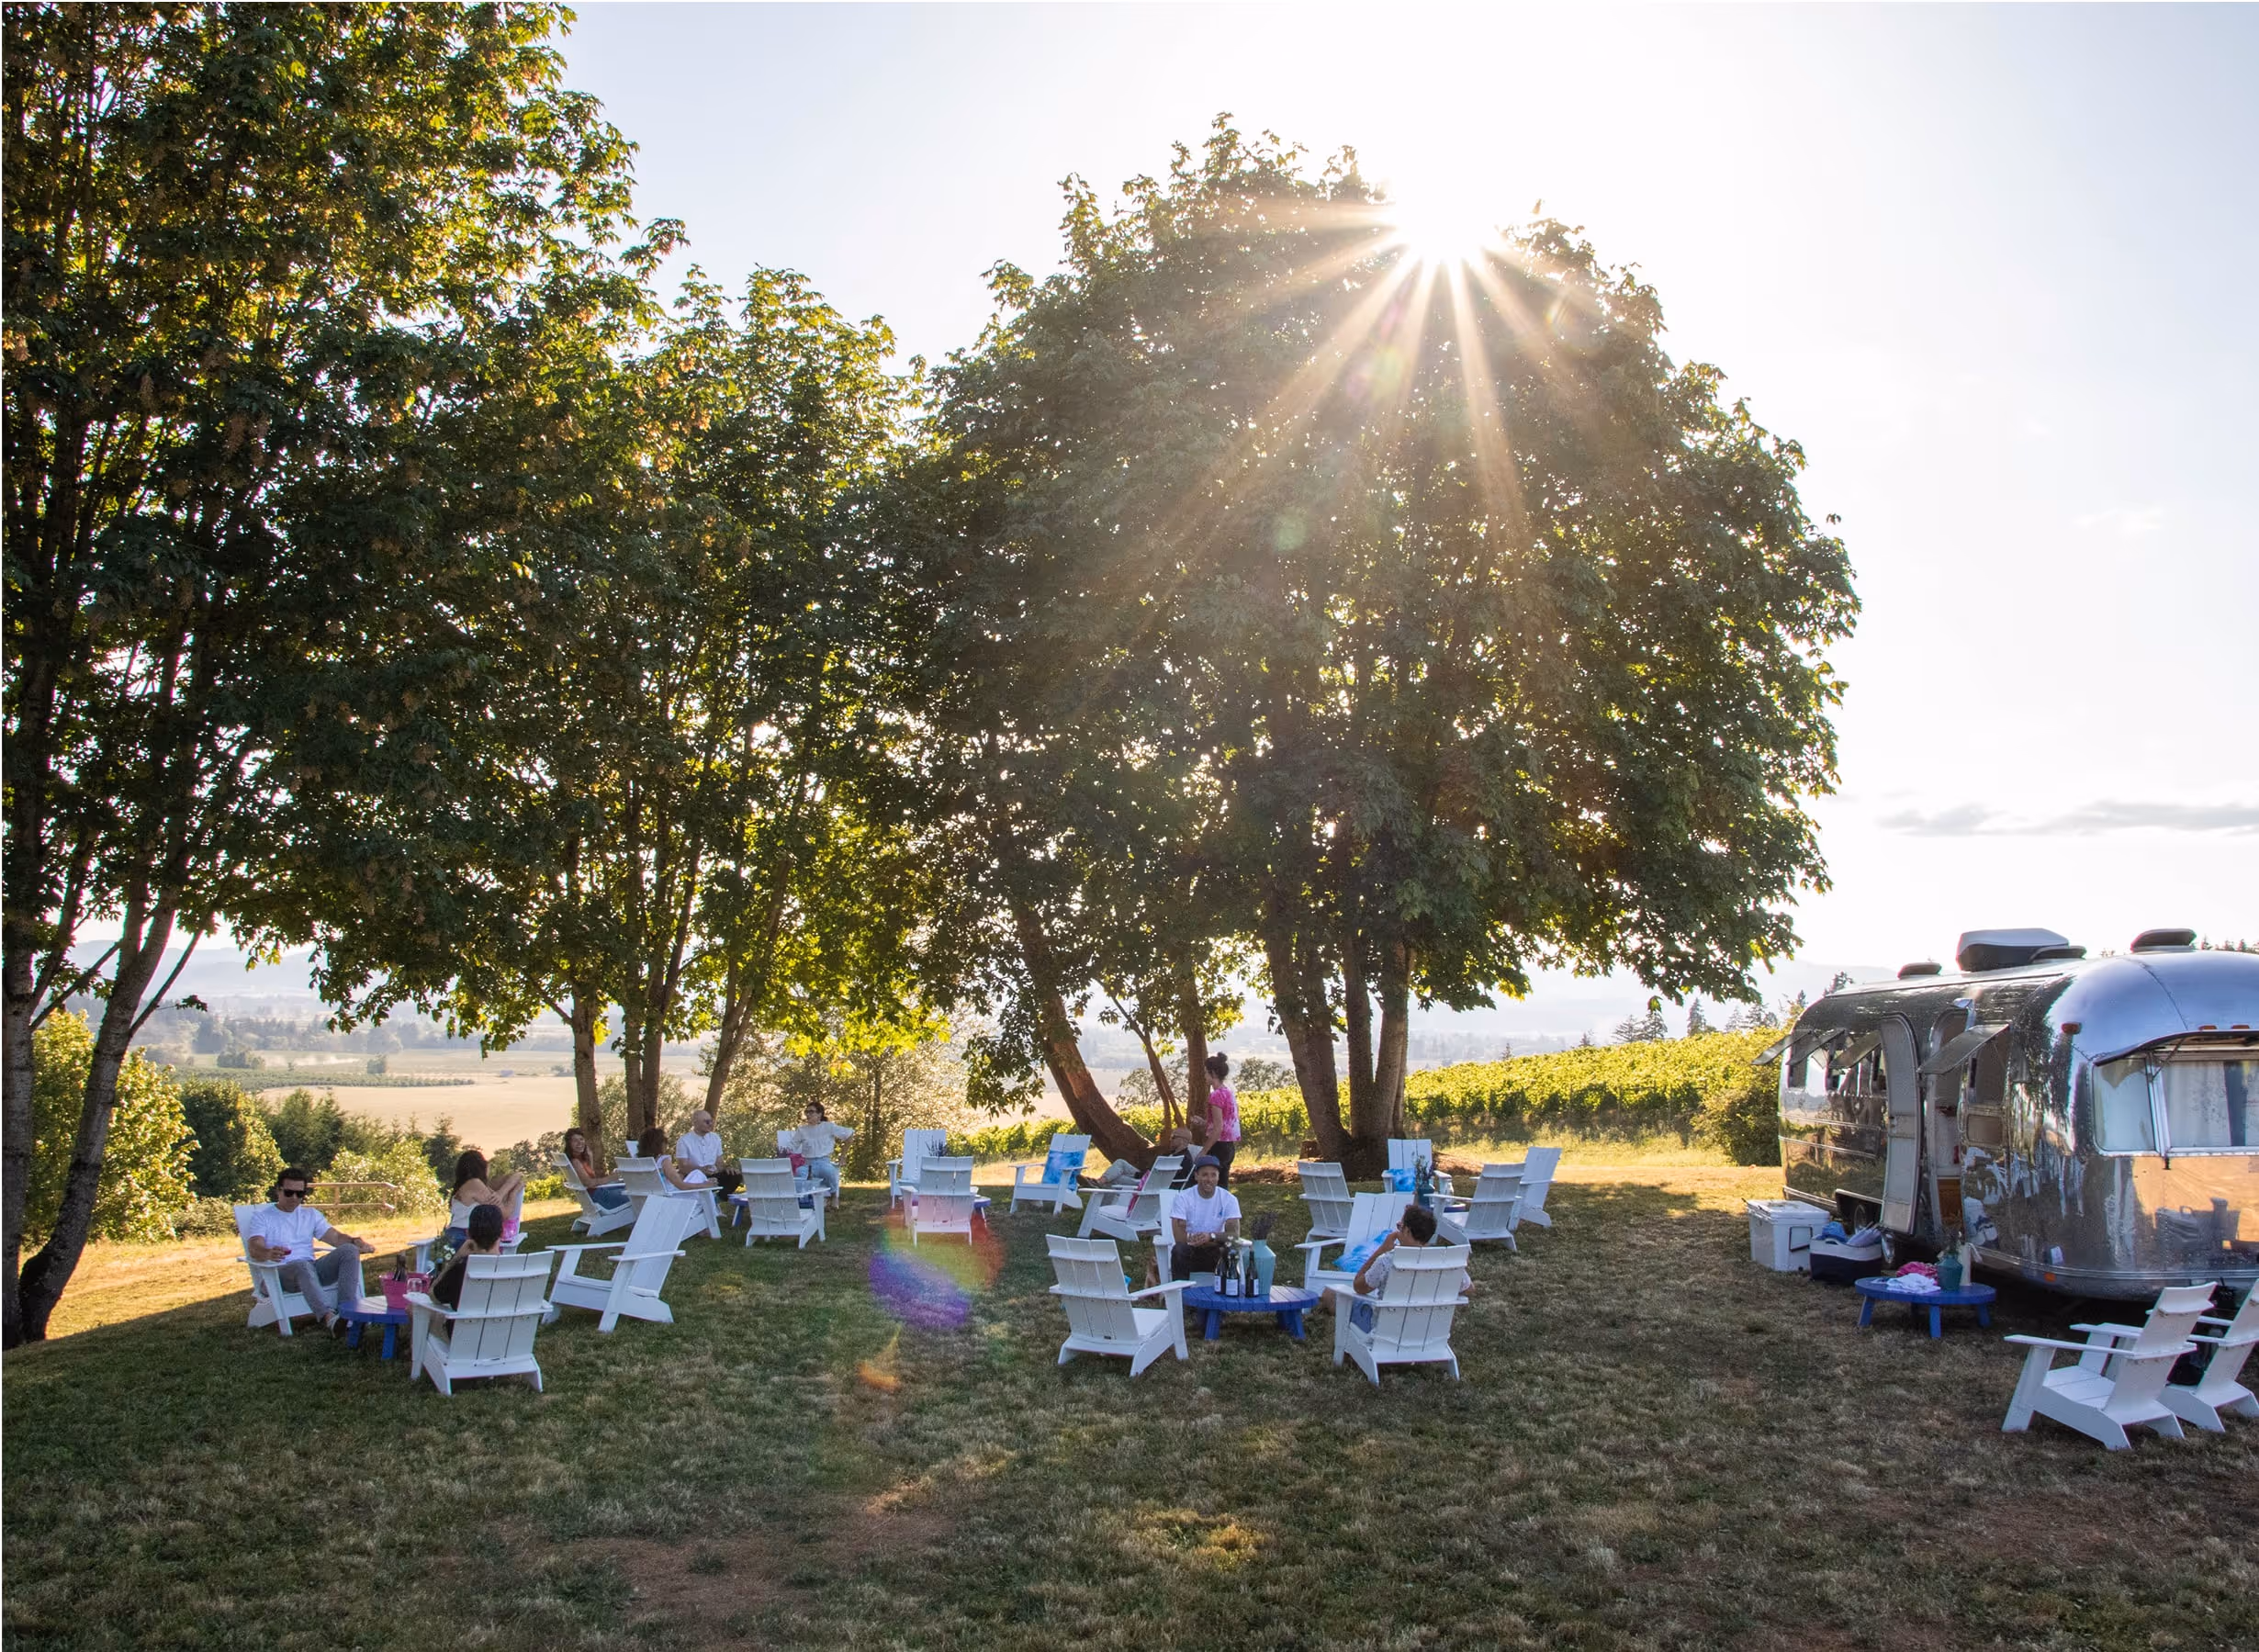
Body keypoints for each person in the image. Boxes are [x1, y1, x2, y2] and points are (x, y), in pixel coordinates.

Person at [242, 1168, 377, 1332]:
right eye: (289, 1192)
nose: (294, 1198)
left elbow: (335, 1238)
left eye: (299, 1194)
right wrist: (268, 1253)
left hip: (311, 1270)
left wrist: (355, 1242)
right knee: (301, 1265)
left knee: (348, 1250)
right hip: (280, 1275)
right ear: (278, 1190)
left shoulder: (310, 1215)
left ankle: (347, 1313)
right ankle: (329, 1319)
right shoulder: (263, 1217)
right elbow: (254, 1246)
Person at [1346, 1203, 1473, 1332]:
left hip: (1385, 1332)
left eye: (1399, 1226)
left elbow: (1358, 1286)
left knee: (1334, 1297)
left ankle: (1349, 1349)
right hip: (1428, 1333)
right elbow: (1469, 1289)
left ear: (1406, 1231)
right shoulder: (1446, 1263)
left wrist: (1381, 1250)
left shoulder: (1387, 1261)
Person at [1168, 1154, 1242, 1281]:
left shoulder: (1229, 1199)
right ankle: (1181, 1296)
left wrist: (1210, 1237)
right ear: (1196, 1176)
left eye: (1213, 1175)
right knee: (1179, 1250)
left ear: (1218, 1177)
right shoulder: (1183, 1198)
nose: (1209, 1179)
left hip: (1215, 1250)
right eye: (1205, 1174)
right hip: (1191, 1250)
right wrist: (1195, 1240)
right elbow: (1179, 1238)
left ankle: (1229, 1294)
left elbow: (1234, 1236)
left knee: (1231, 1248)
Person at [429, 1202, 506, 1309]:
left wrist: (455, 1259)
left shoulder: (460, 1270)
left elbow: (433, 1296)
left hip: (463, 1326)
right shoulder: (514, 1270)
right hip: (503, 1326)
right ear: (502, 1233)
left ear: (468, 1233)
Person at [446, 1150, 525, 1248]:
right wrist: (513, 1193)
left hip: (458, 1236)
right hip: (464, 1238)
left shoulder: (467, 1185)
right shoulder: (475, 1184)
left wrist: (501, 1193)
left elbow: (517, 1175)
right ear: (482, 1167)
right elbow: (504, 1214)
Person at [791, 1102, 854, 1197]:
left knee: (829, 1172)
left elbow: (849, 1135)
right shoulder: (802, 1130)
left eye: (811, 1112)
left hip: (824, 1162)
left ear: (819, 1114)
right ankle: (804, 1200)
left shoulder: (828, 1127)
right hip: (808, 1165)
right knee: (799, 1173)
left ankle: (833, 1196)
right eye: (806, 1112)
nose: (808, 1114)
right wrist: (781, 1152)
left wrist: (843, 1156)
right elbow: (791, 1146)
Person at [673, 1110, 743, 1195]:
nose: (710, 1124)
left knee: (735, 1176)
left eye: (711, 1121)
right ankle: (709, 1201)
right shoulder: (684, 1141)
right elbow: (683, 1167)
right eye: (706, 1122)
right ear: (695, 1123)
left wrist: (727, 1169)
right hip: (694, 1177)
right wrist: (701, 1170)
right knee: (697, 1176)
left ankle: (718, 1199)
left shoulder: (715, 1138)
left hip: (713, 1176)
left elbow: (719, 1163)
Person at [563, 1128, 628, 1210]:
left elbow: (590, 1178)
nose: (580, 1143)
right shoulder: (575, 1162)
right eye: (575, 1140)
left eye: (581, 1139)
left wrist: (590, 1157)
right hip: (599, 1197)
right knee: (634, 1196)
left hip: (597, 1193)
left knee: (627, 1187)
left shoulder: (578, 1159)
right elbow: (590, 1183)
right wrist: (611, 1178)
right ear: (569, 1144)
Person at [1202, 1052, 1241, 1186]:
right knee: (1222, 1184)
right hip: (1229, 1147)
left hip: (1218, 1147)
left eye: (1206, 1073)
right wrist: (1203, 1123)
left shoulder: (1216, 1096)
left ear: (1213, 1073)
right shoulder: (1228, 1093)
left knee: (1213, 1187)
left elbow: (1218, 1128)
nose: (1204, 1076)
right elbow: (1226, 1121)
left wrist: (1204, 1151)